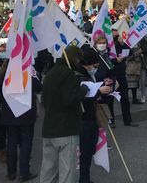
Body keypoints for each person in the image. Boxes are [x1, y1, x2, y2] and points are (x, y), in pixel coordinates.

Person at [39, 45, 90, 183]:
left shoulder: (50, 73)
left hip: (49, 127)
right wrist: (83, 90)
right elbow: (70, 100)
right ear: (75, 58)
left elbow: (44, 100)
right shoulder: (68, 74)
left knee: (48, 169)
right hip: (66, 127)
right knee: (67, 170)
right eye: (78, 60)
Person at [0, 57, 41, 182]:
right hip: (25, 111)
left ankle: (11, 172)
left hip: (9, 111)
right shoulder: (29, 69)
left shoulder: (5, 70)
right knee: (26, 143)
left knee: (11, 142)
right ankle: (24, 172)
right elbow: (37, 86)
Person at [76, 50, 112, 183]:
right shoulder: (78, 76)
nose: (95, 69)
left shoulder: (89, 76)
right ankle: (83, 179)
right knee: (85, 152)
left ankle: (85, 178)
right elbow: (81, 98)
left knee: (90, 149)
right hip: (84, 119)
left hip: (92, 118)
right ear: (87, 65)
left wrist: (105, 92)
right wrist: (98, 92)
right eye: (95, 66)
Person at [109, 28, 137, 127]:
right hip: (111, 75)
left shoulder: (120, 44)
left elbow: (129, 52)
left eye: (117, 36)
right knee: (109, 99)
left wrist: (122, 43)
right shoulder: (107, 46)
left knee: (124, 98)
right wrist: (115, 60)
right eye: (114, 36)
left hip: (121, 74)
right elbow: (105, 59)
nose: (116, 38)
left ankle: (128, 120)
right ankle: (111, 120)